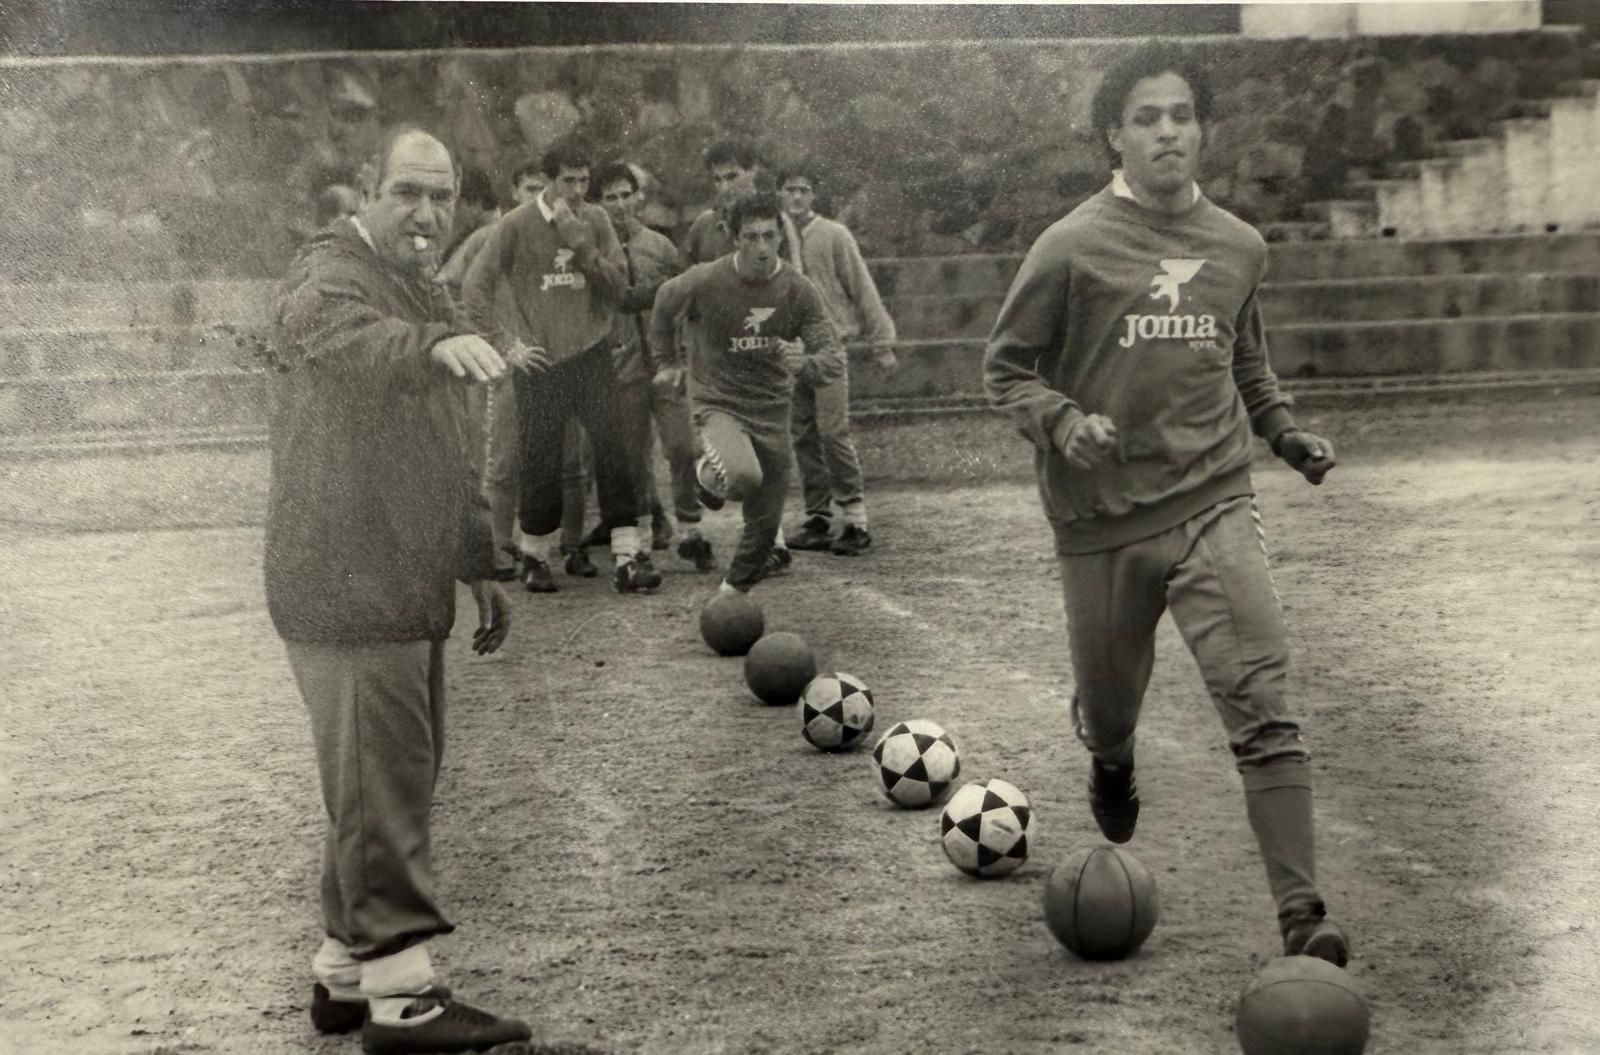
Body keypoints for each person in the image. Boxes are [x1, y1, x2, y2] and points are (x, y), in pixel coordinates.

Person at [982, 45, 1349, 967]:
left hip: (1214, 496)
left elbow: (1244, 359)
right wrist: (1063, 424)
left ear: (1202, 127)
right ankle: (1111, 755)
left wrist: (1284, 432)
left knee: (1262, 700)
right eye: (1146, 117)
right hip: (1101, 522)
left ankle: (1303, 915)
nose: (1167, 132)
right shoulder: (1069, 246)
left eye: (1181, 114)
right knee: (1110, 709)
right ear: (1114, 134)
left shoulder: (1238, 246)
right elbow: (1004, 369)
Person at [264, 125, 530, 1053]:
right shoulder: (327, 273)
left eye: (442, 196)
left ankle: (345, 970)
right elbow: (339, 337)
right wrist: (430, 344)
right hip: (343, 574)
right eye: (407, 192)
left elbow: (448, 446)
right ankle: (404, 997)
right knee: (384, 781)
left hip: (401, 572)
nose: (427, 214)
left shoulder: (426, 288)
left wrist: (478, 559)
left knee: (383, 780)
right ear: (364, 194)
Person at [463, 140, 662, 594]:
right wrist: (507, 345)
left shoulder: (596, 220)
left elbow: (619, 289)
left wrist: (583, 247)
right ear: (549, 180)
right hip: (539, 360)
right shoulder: (515, 225)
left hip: (591, 353)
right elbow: (472, 290)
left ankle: (628, 558)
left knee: (614, 453)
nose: (576, 190)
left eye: (583, 180)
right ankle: (535, 557)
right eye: (567, 181)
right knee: (540, 460)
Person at [647, 192, 843, 594]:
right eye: (751, 237)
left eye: (769, 237)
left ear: (780, 240)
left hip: (772, 411)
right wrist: (666, 361)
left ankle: (730, 595)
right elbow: (664, 303)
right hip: (718, 402)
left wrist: (804, 361)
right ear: (734, 238)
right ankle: (711, 474)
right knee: (742, 475)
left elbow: (832, 355)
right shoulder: (706, 279)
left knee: (766, 523)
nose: (761, 248)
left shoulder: (797, 289)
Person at [682, 140, 805, 577]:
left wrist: (793, 343)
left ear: (753, 174)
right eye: (716, 179)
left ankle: (771, 540)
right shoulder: (702, 228)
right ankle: (714, 476)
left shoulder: (776, 226)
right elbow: (687, 294)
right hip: (720, 360)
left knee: (770, 455)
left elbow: (793, 285)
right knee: (740, 451)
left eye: (732, 176)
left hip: (762, 354)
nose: (724, 186)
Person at [591, 160, 716, 572]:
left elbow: (687, 295)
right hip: (620, 365)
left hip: (666, 364)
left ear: (639, 197)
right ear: (599, 203)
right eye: (611, 196)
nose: (620, 204)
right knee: (632, 455)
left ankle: (691, 530)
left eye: (627, 194)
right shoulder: (593, 252)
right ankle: (643, 536)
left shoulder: (660, 247)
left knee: (682, 445)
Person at [776, 162, 898, 557]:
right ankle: (818, 517)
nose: (796, 197)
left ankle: (856, 519)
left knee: (833, 432)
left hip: (830, 344)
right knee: (803, 434)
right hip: (793, 347)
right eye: (789, 189)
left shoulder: (833, 234)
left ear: (813, 195)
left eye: (803, 189)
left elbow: (861, 286)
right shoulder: (774, 237)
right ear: (779, 193)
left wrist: (882, 341)